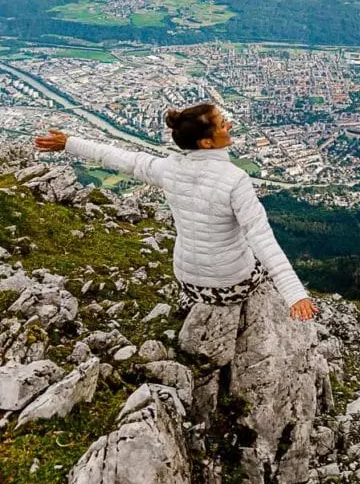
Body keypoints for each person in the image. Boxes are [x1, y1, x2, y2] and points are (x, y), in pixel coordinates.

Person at [34, 103, 317, 322]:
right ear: (206, 143)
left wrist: (69, 143)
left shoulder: (169, 168)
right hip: (229, 285)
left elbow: (121, 159)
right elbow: (261, 237)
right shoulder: (235, 179)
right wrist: (294, 293)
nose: (229, 124)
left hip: (187, 281)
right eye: (221, 124)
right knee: (256, 264)